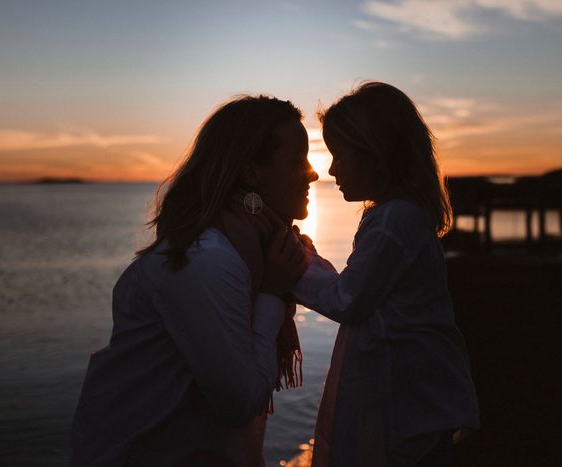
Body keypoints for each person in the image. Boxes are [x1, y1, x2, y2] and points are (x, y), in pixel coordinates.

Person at [70, 95, 318, 466]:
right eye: (298, 159)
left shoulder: (255, 247)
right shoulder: (207, 260)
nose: (313, 172)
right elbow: (241, 403)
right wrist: (272, 293)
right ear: (251, 171)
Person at [293, 82, 480, 466]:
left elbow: (348, 299)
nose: (330, 169)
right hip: (416, 396)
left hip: (408, 404)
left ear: (376, 156)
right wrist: (310, 260)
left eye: (340, 156)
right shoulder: (400, 216)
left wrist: (292, 265)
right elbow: (359, 288)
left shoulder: (394, 219)